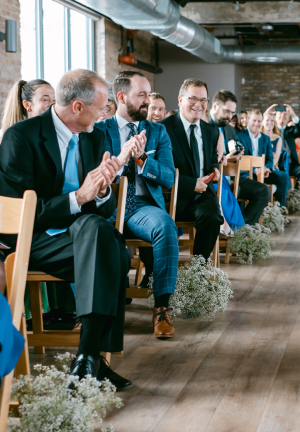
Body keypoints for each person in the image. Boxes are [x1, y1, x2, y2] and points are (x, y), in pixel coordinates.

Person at [0, 69, 131, 389]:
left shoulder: (95, 137)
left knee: (101, 232)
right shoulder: (21, 137)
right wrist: (78, 197)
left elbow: (102, 210)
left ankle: (86, 358)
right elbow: (20, 214)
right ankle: (92, 358)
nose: (105, 114)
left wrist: (101, 191)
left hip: (81, 236)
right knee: (114, 251)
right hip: (32, 238)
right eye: (101, 107)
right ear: (77, 107)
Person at [95, 71, 178, 339]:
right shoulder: (98, 131)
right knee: (86, 233)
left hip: (142, 206)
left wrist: (143, 160)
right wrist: (121, 159)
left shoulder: (158, 131)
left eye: (148, 94)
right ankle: (88, 314)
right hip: (107, 204)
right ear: (121, 97)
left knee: (166, 225)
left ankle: (162, 308)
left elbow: (168, 178)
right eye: (141, 95)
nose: (148, 101)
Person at [159, 78, 224, 261]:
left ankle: (198, 270)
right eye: (193, 99)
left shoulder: (211, 131)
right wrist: (190, 184)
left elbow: (212, 157)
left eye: (203, 100)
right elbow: (160, 169)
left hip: (203, 196)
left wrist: (214, 169)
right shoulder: (163, 128)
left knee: (213, 217)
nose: (199, 104)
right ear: (180, 100)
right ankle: (154, 273)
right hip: (171, 195)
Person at [211, 91, 270, 225]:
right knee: (231, 192)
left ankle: (243, 227)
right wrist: (226, 157)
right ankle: (233, 227)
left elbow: (233, 158)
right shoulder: (204, 124)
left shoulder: (230, 130)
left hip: (231, 175)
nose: (230, 117)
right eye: (227, 111)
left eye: (232, 113)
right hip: (214, 177)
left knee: (263, 191)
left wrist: (235, 157)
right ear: (215, 107)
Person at [238, 109, 290, 207]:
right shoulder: (240, 136)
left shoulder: (265, 138)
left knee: (283, 176)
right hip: (248, 173)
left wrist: (266, 168)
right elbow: (240, 158)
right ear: (248, 120)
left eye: (259, 121)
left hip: (264, 172)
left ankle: (280, 210)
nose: (257, 124)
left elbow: (270, 159)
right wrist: (255, 170)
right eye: (254, 120)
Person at [271, 104, 300, 181]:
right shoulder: (271, 130)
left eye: (285, 114)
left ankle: (296, 192)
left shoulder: (291, 130)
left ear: (288, 118)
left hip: (291, 165)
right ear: (275, 117)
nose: (282, 115)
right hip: (276, 164)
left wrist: (293, 114)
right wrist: (268, 113)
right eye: (280, 113)